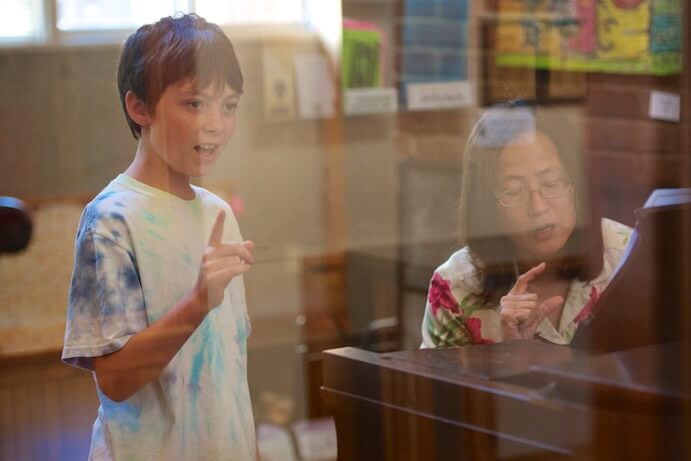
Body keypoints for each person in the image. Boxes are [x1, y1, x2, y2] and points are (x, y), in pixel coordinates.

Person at [62, 13, 260, 460]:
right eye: (194, 103)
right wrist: (196, 303)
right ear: (140, 108)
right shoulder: (111, 219)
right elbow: (114, 381)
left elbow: (231, 371)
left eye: (228, 105)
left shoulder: (219, 213)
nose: (216, 123)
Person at [421, 102, 632, 348]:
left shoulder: (626, 254)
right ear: (486, 205)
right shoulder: (455, 286)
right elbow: (438, 387)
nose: (538, 207)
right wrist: (510, 353)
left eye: (552, 183)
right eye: (513, 191)